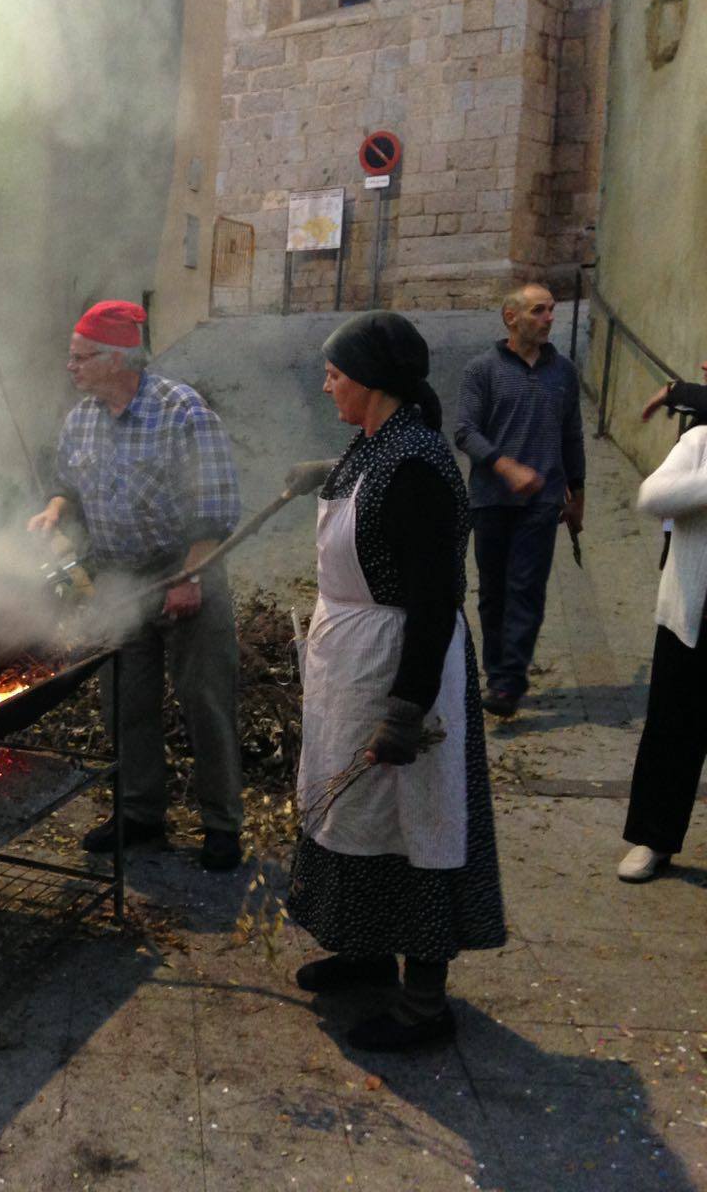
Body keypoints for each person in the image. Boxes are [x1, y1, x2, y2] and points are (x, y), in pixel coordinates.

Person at [289, 311, 506, 1052]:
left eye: (336, 374)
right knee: (355, 814)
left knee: (414, 825)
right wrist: (323, 475)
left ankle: (424, 1006)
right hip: (350, 664)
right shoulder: (376, 442)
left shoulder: (416, 464)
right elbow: (366, 499)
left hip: (400, 662)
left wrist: (406, 711)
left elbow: (436, 596)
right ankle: (366, 950)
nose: (326, 385)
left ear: (374, 382)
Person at [27, 300, 246, 870]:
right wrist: (53, 510)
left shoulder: (182, 411)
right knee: (125, 703)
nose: (70, 367)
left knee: (205, 702)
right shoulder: (82, 419)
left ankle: (221, 824)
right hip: (119, 579)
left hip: (184, 564)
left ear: (116, 358)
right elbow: (68, 485)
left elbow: (216, 505)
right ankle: (141, 814)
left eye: (80, 358)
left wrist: (191, 575)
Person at [454, 283, 586, 718]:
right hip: (490, 499)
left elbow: (572, 435)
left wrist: (577, 493)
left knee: (526, 588)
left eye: (551, 310)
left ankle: (509, 683)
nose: (550, 317)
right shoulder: (483, 370)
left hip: (543, 500)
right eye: (538, 311)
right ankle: (497, 672)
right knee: (493, 592)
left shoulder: (563, 372)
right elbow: (466, 432)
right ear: (511, 318)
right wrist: (504, 466)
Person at [618, 359, 707, 882]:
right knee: (672, 730)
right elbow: (652, 496)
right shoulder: (700, 441)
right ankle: (654, 839)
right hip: (692, 613)